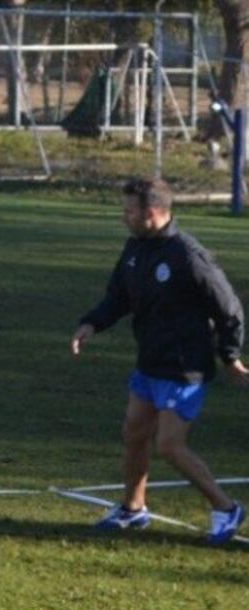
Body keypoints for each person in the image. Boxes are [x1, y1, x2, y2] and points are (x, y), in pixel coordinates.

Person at [71, 177, 247, 545]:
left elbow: (229, 308)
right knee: (134, 434)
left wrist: (230, 356)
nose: (124, 217)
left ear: (152, 213)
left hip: (184, 367)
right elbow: (118, 296)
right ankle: (133, 509)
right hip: (150, 361)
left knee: (169, 446)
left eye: (129, 211)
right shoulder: (135, 248)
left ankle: (226, 507)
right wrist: (91, 323)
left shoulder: (188, 256)